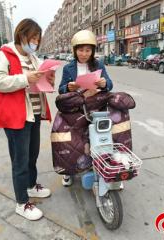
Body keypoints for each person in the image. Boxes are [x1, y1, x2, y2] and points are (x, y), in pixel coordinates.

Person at [0, 19, 55, 221]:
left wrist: (48, 79)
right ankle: (21, 203)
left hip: (33, 114)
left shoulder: (33, 57)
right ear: (22, 34)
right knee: (20, 161)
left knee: (32, 155)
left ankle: (31, 185)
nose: (35, 42)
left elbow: (38, 80)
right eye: (32, 37)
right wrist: (26, 78)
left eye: (37, 39)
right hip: (16, 117)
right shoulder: (5, 54)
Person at [58, 30, 113, 186]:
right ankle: (68, 171)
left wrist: (104, 84)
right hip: (76, 109)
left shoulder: (98, 65)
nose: (84, 53)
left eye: (88, 50)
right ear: (75, 50)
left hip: (96, 107)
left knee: (100, 137)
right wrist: (68, 87)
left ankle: (104, 169)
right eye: (80, 50)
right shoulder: (68, 68)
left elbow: (109, 84)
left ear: (92, 51)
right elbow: (61, 89)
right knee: (72, 141)